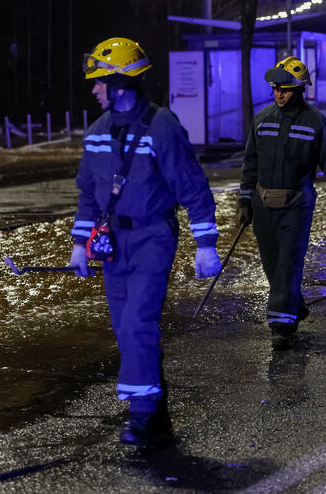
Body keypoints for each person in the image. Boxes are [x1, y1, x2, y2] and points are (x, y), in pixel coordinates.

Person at [68, 37, 222, 449]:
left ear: (120, 83)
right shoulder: (97, 132)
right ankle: (156, 406)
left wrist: (205, 242)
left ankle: (141, 417)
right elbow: (88, 192)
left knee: (137, 322)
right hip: (113, 241)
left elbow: (190, 183)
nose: (94, 89)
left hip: (154, 235)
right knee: (124, 327)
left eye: (100, 81)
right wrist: (80, 243)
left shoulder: (162, 126)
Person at [239, 56, 326, 351]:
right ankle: (293, 304)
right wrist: (244, 200)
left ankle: (281, 325)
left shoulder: (316, 123)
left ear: (299, 90)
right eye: (276, 88)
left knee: (288, 263)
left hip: (297, 204)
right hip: (263, 204)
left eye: (286, 89)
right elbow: (250, 162)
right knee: (272, 265)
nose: (279, 94)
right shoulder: (262, 120)